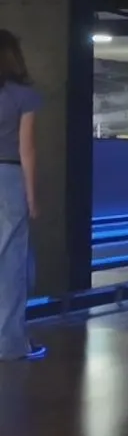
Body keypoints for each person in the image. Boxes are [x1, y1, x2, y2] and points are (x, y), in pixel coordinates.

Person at [0, 31, 44, 362]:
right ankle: (10, 344)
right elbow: (26, 150)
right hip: (9, 178)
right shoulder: (24, 96)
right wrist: (32, 197)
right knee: (11, 263)